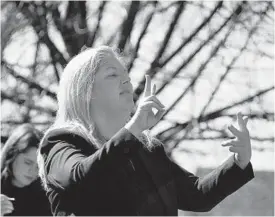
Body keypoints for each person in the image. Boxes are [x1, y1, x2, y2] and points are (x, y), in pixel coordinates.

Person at [37, 46, 254, 216]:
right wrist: (134, 129)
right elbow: (80, 178)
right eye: (112, 75)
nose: (127, 80)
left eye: (127, 75)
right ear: (84, 91)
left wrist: (239, 161)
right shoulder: (60, 142)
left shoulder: (148, 150)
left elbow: (196, 195)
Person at [1, 124, 52, 216]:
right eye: (28, 162)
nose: (34, 171)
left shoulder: (47, 197)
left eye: (39, 166)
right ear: (11, 155)